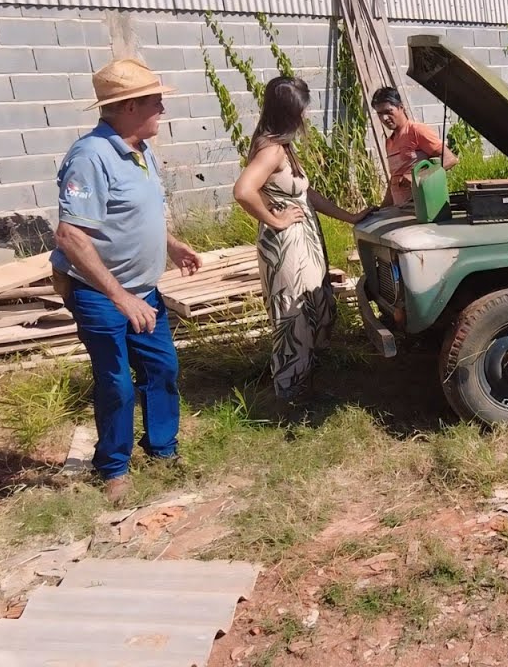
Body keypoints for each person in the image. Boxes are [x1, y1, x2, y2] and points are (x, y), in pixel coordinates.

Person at [50, 58, 203, 504]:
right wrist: (119, 296)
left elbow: (136, 213)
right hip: (100, 294)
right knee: (115, 381)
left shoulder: (138, 150)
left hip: (142, 290)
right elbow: (71, 235)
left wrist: (171, 245)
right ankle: (113, 467)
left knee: (163, 368)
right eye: (156, 101)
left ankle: (162, 450)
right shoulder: (90, 157)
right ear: (129, 106)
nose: (163, 108)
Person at [233, 76, 370, 402]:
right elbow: (243, 191)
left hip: (302, 241)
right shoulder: (271, 150)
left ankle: (303, 380)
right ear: (288, 112)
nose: (307, 115)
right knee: (294, 316)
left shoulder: (282, 146)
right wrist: (276, 220)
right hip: (288, 247)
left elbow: (306, 194)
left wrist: (349, 216)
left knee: (313, 307)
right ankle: (289, 392)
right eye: (303, 109)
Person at [371, 86, 457, 209]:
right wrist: (382, 209)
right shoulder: (389, 141)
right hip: (402, 209)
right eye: (380, 114)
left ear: (401, 107)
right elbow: (395, 181)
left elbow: (450, 159)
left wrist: (417, 176)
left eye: (388, 112)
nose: (384, 118)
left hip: (424, 207)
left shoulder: (417, 130)